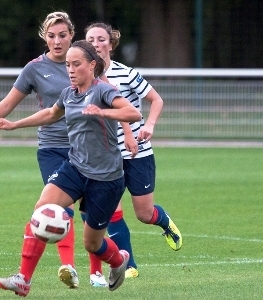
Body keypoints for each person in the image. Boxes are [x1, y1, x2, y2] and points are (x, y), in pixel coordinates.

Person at [0, 40, 142, 297]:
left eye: (76, 64)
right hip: (75, 167)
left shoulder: (103, 91)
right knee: (42, 208)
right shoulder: (69, 93)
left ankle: (118, 261)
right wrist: (14, 125)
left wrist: (104, 114)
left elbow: (133, 114)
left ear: (92, 65)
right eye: (68, 65)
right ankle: (23, 279)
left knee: (92, 244)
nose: (70, 70)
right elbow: (51, 114)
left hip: (106, 178)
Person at [0, 12, 80, 288]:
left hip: (85, 148)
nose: (57, 40)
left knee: (97, 221)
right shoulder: (35, 69)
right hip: (52, 148)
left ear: (72, 35)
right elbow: (6, 104)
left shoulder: (84, 63)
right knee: (53, 206)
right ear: (44, 37)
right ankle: (62, 269)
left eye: (62, 35)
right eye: (51, 36)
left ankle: (116, 260)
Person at [84, 22, 183, 286]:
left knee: (143, 213)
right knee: (111, 211)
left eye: (101, 39)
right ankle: (130, 265)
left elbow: (156, 100)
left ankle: (164, 222)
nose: (96, 43)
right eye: (90, 39)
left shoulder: (126, 73)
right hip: (106, 156)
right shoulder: (83, 76)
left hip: (138, 152)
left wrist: (147, 127)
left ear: (111, 44)